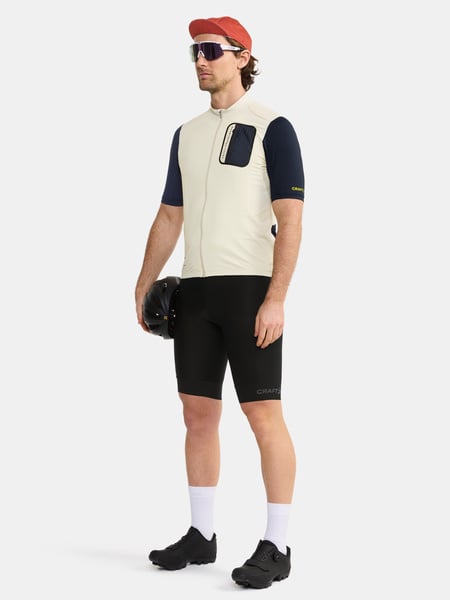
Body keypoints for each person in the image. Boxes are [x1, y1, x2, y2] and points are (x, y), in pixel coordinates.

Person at [135, 15, 305, 589]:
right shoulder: (186, 134)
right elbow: (169, 215)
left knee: (263, 414)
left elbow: (291, 220)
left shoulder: (273, 127)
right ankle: (201, 534)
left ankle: (277, 544)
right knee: (197, 414)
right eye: (195, 52)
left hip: (250, 291)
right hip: (196, 292)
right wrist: (144, 283)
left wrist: (276, 298)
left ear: (242, 56)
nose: (201, 60)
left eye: (211, 50)